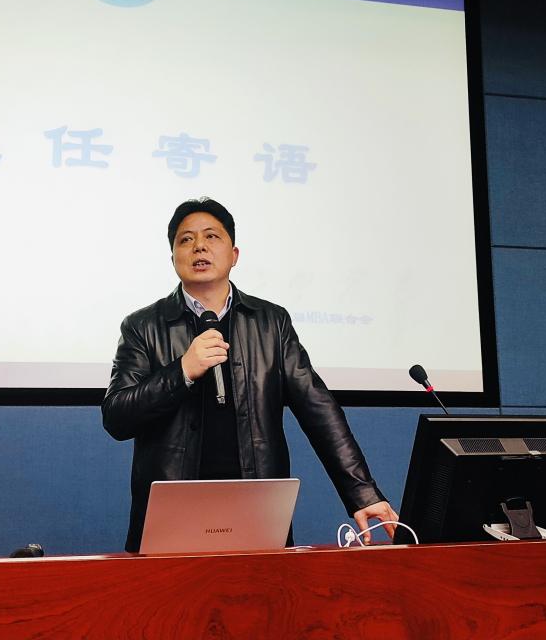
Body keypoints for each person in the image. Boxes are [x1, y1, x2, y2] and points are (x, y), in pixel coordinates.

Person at [102, 197, 397, 552]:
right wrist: (182, 371)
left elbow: (319, 409)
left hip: (256, 507)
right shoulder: (143, 326)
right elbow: (117, 417)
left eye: (211, 236)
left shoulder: (271, 323)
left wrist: (362, 493)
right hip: (172, 512)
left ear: (234, 255)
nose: (199, 246)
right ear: (173, 258)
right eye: (186, 239)